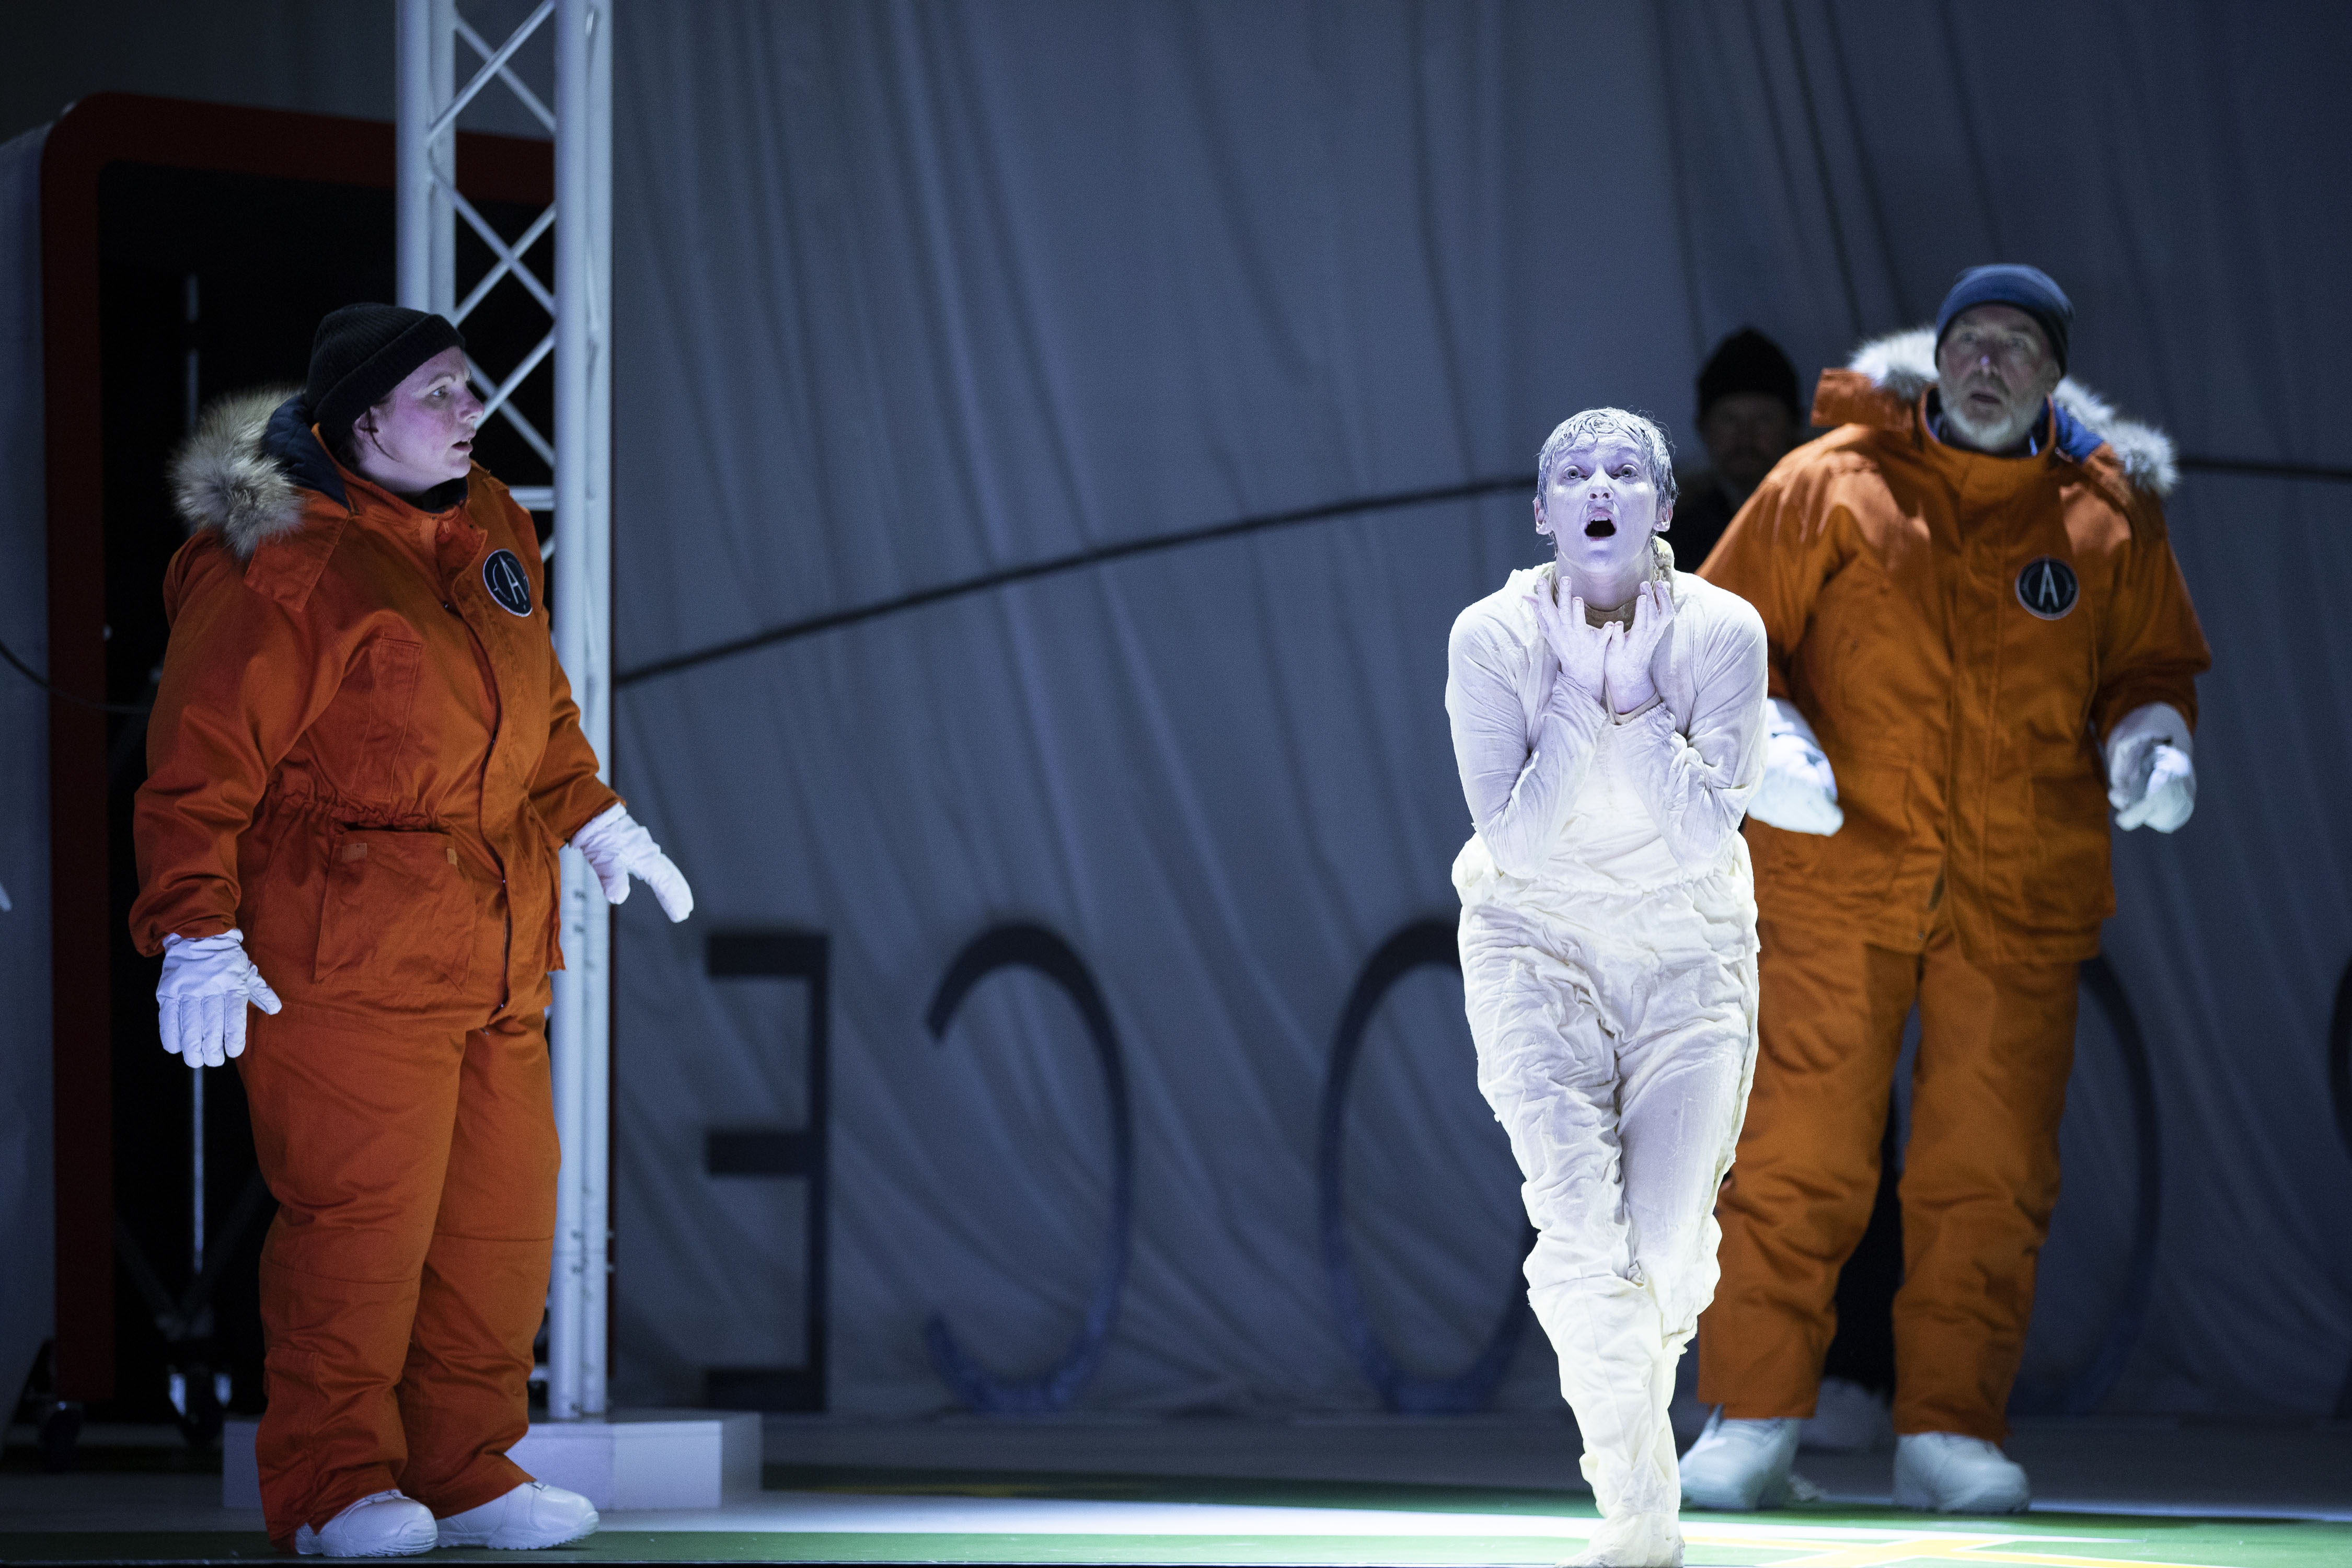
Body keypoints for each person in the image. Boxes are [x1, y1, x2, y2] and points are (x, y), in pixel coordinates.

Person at [130, 305, 696, 1557]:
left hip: (494, 950)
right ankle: (333, 1483)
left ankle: (465, 1465)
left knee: (496, 1223)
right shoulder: (281, 560)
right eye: (439, 393)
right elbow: (200, 759)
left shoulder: (488, 516)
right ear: (362, 419)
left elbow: (533, 702)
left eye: (469, 387)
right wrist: (195, 928)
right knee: (361, 1226)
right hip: (348, 957)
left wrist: (593, 818)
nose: (469, 410)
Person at [1685, 266, 2209, 1513]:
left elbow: (2149, 661)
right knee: (1791, 1151)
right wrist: (1759, 737)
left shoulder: (2103, 514)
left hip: (2014, 892)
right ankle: (1751, 1410)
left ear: (2049, 374)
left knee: (1989, 1166)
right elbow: (1714, 632)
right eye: (1966, 338)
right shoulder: (1828, 483)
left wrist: (2149, 736)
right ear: (1933, 356)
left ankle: (1947, 1425)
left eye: (2013, 345)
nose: (1985, 361)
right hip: (1835, 876)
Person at [1447, 408, 1768, 1566]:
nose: (1598, 483)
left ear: (1664, 510)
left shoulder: (1725, 632)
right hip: (1537, 949)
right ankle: (1639, 1520)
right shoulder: (1491, 639)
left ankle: (1642, 1474)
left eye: (1624, 470)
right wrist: (1596, 707)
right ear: (1543, 515)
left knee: (1666, 1260)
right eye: (1573, 473)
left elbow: (1700, 837)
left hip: (1687, 958)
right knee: (1586, 1240)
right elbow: (1519, 846)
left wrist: (1630, 711)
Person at [1670, 329, 1805, 571]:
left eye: (1764, 419)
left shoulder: (1825, 521)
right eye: (1729, 419)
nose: (1745, 437)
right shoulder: (1671, 544)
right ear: (1703, 427)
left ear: (1793, 426)